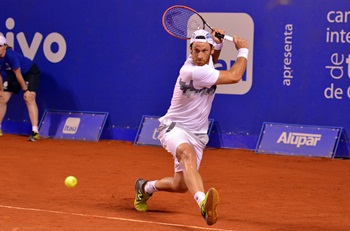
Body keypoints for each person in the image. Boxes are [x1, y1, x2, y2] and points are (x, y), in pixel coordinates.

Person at [134, 29, 249, 226]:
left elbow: (210, 63)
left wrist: (218, 45)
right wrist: (243, 51)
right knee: (186, 154)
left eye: (205, 51)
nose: (200, 56)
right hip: (173, 127)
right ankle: (203, 204)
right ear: (191, 49)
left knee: (180, 185)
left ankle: (145, 187)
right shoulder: (191, 70)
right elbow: (234, 76)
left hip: (198, 135)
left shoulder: (205, 64)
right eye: (196, 51)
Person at [0, 34, 40, 141]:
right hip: (14, 75)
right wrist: (0, 90)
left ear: (4, 46)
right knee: (2, 98)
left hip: (29, 73)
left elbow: (18, 74)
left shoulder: (11, 55)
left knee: (29, 98)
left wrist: (26, 91)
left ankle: (35, 132)